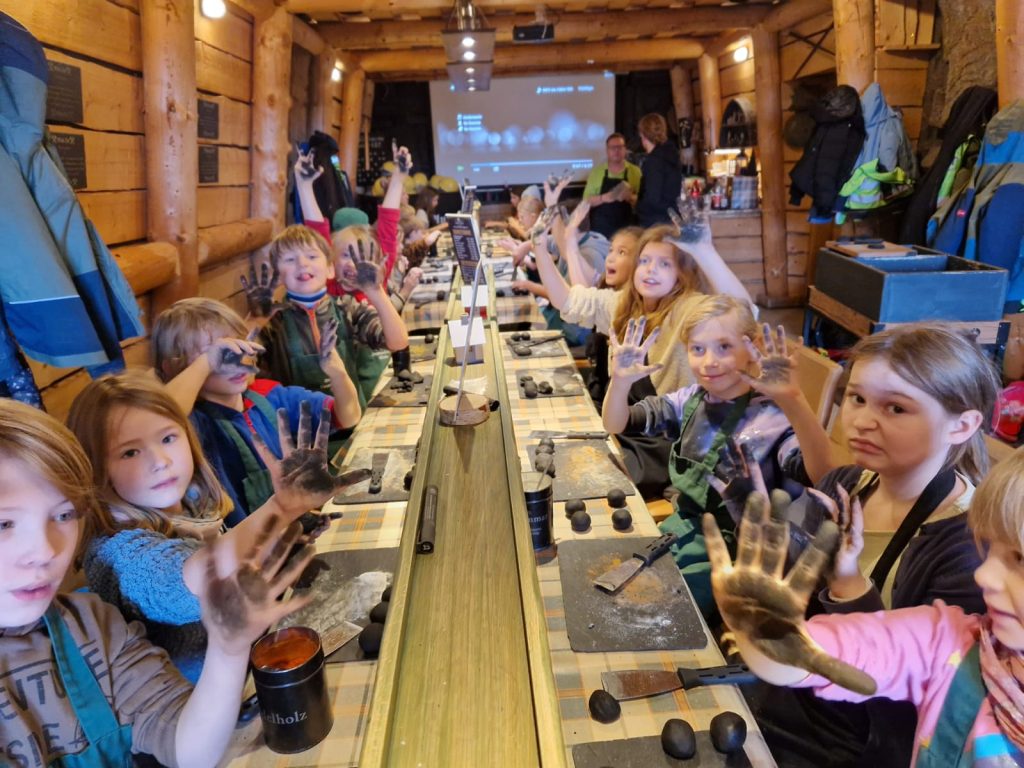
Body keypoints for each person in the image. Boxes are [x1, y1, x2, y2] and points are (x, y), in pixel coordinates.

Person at [0, 398, 312, 767]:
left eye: (63, 515)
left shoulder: (91, 626)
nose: (45, 551)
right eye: (4, 523)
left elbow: (187, 750)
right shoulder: (117, 551)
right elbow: (173, 578)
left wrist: (228, 648)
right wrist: (281, 509)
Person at [748, 324, 1001, 768]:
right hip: (794, 688)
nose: (862, 421)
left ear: (962, 425)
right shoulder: (845, 484)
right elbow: (793, 598)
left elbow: (910, 694)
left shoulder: (971, 549)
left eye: (896, 408)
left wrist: (847, 583)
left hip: (860, 741)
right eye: (857, 398)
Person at [704, 444, 1024, 768]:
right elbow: (823, 652)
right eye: (989, 550)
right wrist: (760, 631)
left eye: (1019, 559)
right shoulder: (949, 644)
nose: (983, 575)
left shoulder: (951, 548)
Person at [68, 371, 369, 682]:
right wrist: (281, 508)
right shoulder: (116, 553)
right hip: (207, 702)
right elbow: (187, 580)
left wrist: (288, 530)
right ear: (96, 469)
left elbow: (237, 569)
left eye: (168, 438)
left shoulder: (194, 506)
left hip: (255, 663)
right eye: (129, 452)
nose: (160, 461)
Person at [601, 296, 831, 614]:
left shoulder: (771, 419)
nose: (709, 361)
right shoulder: (690, 400)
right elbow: (616, 423)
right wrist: (620, 382)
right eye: (698, 349)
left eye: (724, 347)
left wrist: (793, 400)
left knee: (656, 611)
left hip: (741, 557)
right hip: (682, 530)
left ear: (752, 347)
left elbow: (824, 475)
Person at [534, 212, 753, 497]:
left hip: (666, 440)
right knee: (559, 466)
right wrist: (540, 247)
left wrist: (704, 250)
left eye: (664, 264)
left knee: (578, 480)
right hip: (625, 423)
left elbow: (744, 312)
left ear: (682, 274)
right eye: (645, 261)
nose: (651, 270)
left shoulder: (686, 309)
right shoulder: (624, 305)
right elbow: (568, 302)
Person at [151, 297, 359, 520]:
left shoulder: (268, 395)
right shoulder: (193, 423)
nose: (236, 359)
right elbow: (158, 420)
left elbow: (348, 416)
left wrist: (338, 374)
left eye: (238, 345)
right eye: (219, 352)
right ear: (174, 368)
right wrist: (207, 362)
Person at [250, 224, 408, 408]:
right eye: (290, 259)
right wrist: (257, 320)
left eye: (312, 256)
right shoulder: (273, 322)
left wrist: (375, 291)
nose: (302, 263)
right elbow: (243, 371)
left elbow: (398, 342)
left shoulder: (346, 307)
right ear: (277, 276)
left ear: (330, 269)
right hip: (299, 424)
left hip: (353, 420)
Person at [583, 132, 642, 238]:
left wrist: (631, 197)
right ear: (607, 151)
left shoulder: (635, 172)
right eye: (612, 148)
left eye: (620, 147)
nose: (616, 151)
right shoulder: (597, 172)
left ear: (625, 149)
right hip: (601, 230)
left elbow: (644, 202)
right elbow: (586, 201)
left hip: (626, 230)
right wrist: (604, 198)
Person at [635, 113, 683, 227]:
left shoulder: (654, 162)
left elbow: (653, 199)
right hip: (672, 218)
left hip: (656, 223)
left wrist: (636, 203)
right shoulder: (671, 155)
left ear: (643, 135)